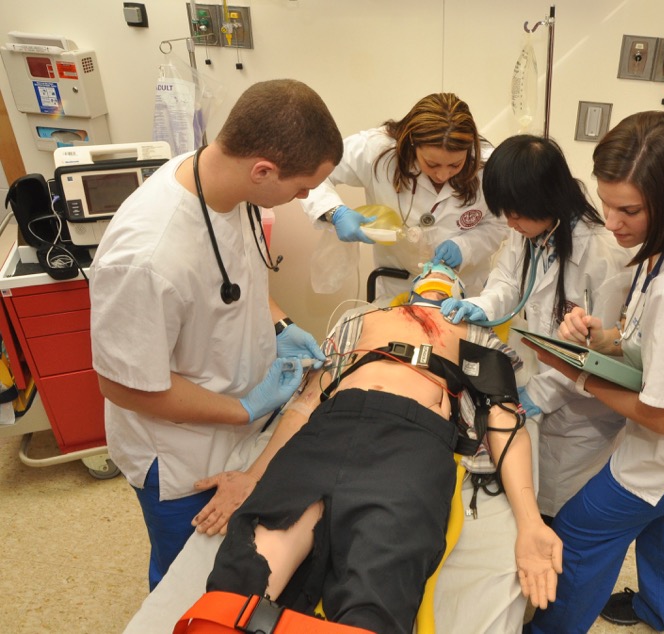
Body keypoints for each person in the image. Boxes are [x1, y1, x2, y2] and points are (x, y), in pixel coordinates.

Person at [199, 263, 563, 634]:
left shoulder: (474, 330)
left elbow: (504, 420)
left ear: (460, 292)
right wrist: (254, 474)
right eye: (430, 269)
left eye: (447, 272)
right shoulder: (361, 318)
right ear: (414, 285)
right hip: (329, 427)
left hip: (411, 442)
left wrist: (530, 522)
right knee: (242, 579)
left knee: (376, 592)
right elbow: (307, 400)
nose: (438, 270)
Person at [89, 79, 344, 591]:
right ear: (263, 170)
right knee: (188, 579)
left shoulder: (228, 184)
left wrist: (282, 324)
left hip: (238, 421)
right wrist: (245, 408)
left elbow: (237, 276)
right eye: (300, 188)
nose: (305, 198)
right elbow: (124, 386)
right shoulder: (147, 258)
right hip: (181, 454)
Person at [524, 111, 664, 633]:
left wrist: (576, 372)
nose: (611, 222)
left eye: (628, 209)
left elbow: (661, 417)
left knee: (582, 532)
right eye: (605, 203)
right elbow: (662, 338)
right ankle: (661, 611)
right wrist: (606, 337)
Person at [440, 134, 633, 520]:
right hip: (542, 373)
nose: (510, 223)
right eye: (506, 214)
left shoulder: (604, 255)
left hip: (582, 412)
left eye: (517, 214)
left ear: (548, 199)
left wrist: (540, 394)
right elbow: (509, 281)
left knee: (561, 506)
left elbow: (597, 354)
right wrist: (480, 305)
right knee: (529, 484)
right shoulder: (529, 230)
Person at [300, 92, 507, 300]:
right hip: (396, 288)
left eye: (455, 165)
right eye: (432, 164)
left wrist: (466, 247)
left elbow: (500, 224)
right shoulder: (377, 150)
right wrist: (334, 212)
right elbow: (310, 171)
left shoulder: (488, 165)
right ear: (413, 143)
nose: (442, 175)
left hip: (465, 292)